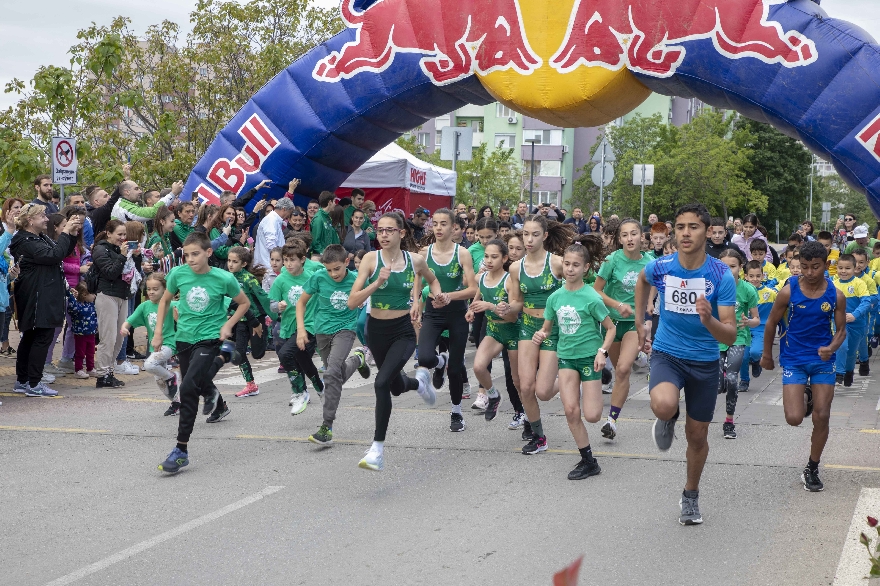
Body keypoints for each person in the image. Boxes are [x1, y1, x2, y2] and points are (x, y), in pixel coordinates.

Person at [634, 203, 737, 525]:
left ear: (707, 231)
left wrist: (708, 320)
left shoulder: (721, 275)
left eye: (693, 227)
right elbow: (642, 279)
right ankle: (667, 417)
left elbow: (731, 335)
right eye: (680, 227)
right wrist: (641, 320)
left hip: (705, 362)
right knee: (663, 405)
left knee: (697, 436)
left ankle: (690, 495)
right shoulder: (662, 266)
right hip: (668, 353)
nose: (686, 233)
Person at [346, 212, 443, 471]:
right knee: (396, 386)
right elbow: (352, 301)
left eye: (390, 230)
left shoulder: (415, 261)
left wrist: (434, 298)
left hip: (404, 330)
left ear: (401, 233)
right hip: (376, 329)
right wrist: (376, 283)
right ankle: (420, 383)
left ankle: (377, 449)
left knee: (380, 383)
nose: (384, 234)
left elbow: (433, 282)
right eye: (380, 230)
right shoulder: (370, 259)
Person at [155, 232, 251, 474]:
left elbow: (244, 303)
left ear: (208, 253)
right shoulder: (178, 274)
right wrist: (158, 332)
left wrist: (228, 324)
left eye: (195, 254)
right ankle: (219, 401)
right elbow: (165, 301)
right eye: (186, 255)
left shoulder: (224, 278)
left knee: (187, 388)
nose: (189, 259)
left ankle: (180, 450)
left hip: (208, 339)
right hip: (184, 338)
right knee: (193, 387)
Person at [761, 241, 846, 492]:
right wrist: (767, 354)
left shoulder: (836, 295)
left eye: (815, 267)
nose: (809, 273)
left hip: (822, 361)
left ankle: (812, 466)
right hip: (794, 358)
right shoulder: (788, 291)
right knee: (794, 418)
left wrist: (831, 348)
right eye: (804, 267)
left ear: (826, 265)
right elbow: (771, 323)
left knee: (822, 415)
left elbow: (841, 330)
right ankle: (806, 395)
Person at [507, 215, 572, 454]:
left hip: (552, 329)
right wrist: (505, 308)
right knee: (525, 387)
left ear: (545, 236)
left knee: (543, 391)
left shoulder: (556, 263)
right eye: (525, 234)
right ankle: (539, 437)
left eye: (535, 234)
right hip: (526, 327)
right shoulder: (515, 267)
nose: (529, 239)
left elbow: (574, 289)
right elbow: (517, 302)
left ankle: (569, 378)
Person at [295, 244, 371, 445]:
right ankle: (358, 359)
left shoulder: (356, 280)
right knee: (334, 374)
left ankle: (326, 426)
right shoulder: (319, 278)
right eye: (329, 269)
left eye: (337, 268)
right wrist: (302, 330)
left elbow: (373, 295)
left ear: (347, 262)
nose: (333, 274)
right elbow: (301, 302)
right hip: (322, 331)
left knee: (330, 374)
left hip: (346, 329)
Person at [415, 208, 477, 431]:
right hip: (432, 311)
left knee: (456, 367)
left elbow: (472, 289)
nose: (438, 228)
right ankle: (439, 361)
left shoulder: (462, 254)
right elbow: (418, 281)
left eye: (443, 224)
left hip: (457, 312)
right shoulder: (424, 253)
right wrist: (415, 302)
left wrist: (449, 296)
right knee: (424, 357)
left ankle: (457, 412)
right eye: (435, 223)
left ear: (453, 228)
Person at [9, 204, 80, 397]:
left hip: (43, 293)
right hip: (37, 295)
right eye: (42, 216)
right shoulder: (25, 240)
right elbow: (53, 255)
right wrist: (65, 231)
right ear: (30, 220)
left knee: (32, 338)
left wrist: (71, 235)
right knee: (40, 337)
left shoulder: (38, 237)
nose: (46, 219)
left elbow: (60, 252)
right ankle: (34, 382)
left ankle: (23, 381)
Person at [593, 219, 651, 439]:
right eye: (625, 235)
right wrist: (617, 305)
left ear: (641, 237)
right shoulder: (612, 260)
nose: (629, 239)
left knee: (624, 369)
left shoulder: (649, 262)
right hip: (612, 323)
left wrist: (650, 304)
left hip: (633, 324)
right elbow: (596, 291)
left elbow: (654, 285)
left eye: (634, 234)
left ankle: (611, 421)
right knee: (619, 370)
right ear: (619, 239)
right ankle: (638, 361)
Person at [468, 239, 519, 423]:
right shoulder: (479, 277)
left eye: (494, 257)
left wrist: (490, 306)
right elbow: (480, 290)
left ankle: (525, 416)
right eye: (486, 256)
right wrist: (471, 308)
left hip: (512, 331)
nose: (489, 260)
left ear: (504, 258)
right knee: (478, 367)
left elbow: (512, 317)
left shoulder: (509, 281)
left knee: (517, 381)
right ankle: (493, 395)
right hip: (494, 330)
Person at [272, 241, 324, 411]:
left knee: (285, 354)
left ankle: (299, 392)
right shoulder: (280, 279)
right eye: (285, 260)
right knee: (303, 361)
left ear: (302, 259)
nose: (288, 264)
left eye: (292, 260)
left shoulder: (312, 276)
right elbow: (271, 303)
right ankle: (319, 386)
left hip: (309, 325)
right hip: (289, 326)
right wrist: (277, 306)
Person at [716, 249, 760, 439]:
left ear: (741, 267)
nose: (728, 270)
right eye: (723, 266)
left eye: (732, 266)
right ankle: (722, 377)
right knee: (718, 385)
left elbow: (756, 319)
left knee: (733, 380)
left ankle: (729, 422)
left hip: (738, 338)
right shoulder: (712, 287)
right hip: (714, 340)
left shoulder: (747, 289)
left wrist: (748, 322)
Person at [122, 272, 180, 415]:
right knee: (160, 381)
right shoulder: (145, 306)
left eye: (155, 289)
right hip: (154, 346)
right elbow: (130, 320)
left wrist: (178, 317)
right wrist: (124, 327)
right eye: (149, 289)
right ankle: (177, 403)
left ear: (165, 290)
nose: (151, 292)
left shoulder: (172, 304)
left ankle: (172, 376)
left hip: (169, 344)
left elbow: (187, 318)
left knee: (149, 365)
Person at [91, 219, 137, 389]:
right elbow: (110, 272)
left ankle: (109, 372)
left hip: (122, 295)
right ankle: (102, 375)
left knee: (119, 337)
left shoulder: (121, 249)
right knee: (107, 337)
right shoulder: (100, 249)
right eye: (119, 234)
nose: (123, 238)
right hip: (107, 295)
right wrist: (123, 255)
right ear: (109, 233)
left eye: (125, 234)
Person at [227, 248, 274, 398]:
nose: (231, 264)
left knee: (258, 354)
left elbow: (263, 298)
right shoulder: (227, 279)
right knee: (239, 354)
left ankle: (266, 333)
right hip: (240, 320)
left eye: (235, 262)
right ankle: (251, 385)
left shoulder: (249, 279)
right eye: (229, 261)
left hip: (256, 319)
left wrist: (274, 315)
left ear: (244, 263)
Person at [831, 254, 870, 387]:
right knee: (842, 346)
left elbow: (866, 302)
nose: (843, 271)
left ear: (855, 268)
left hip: (857, 324)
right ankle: (839, 374)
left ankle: (848, 372)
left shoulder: (860, 283)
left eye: (847, 268)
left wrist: (854, 315)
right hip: (840, 324)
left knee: (851, 352)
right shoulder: (833, 284)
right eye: (840, 268)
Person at [739, 259, 777, 392]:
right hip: (744, 328)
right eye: (751, 276)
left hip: (761, 328)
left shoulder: (770, 293)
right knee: (742, 357)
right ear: (745, 276)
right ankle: (744, 380)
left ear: (763, 276)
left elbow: (780, 311)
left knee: (755, 352)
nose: (755, 279)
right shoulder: (741, 290)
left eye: (758, 276)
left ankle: (756, 361)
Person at [255, 197, 295, 269]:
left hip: (270, 265)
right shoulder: (271, 220)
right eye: (290, 212)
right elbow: (271, 245)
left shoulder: (274, 219)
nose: (289, 215)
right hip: (269, 267)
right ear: (284, 209)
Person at [310, 191, 340, 257]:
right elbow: (315, 242)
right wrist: (325, 255)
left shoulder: (327, 217)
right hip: (322, 258)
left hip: (330, 256)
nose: (335, 204)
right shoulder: (318, 219)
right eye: (334, 201)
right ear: (329, 202)